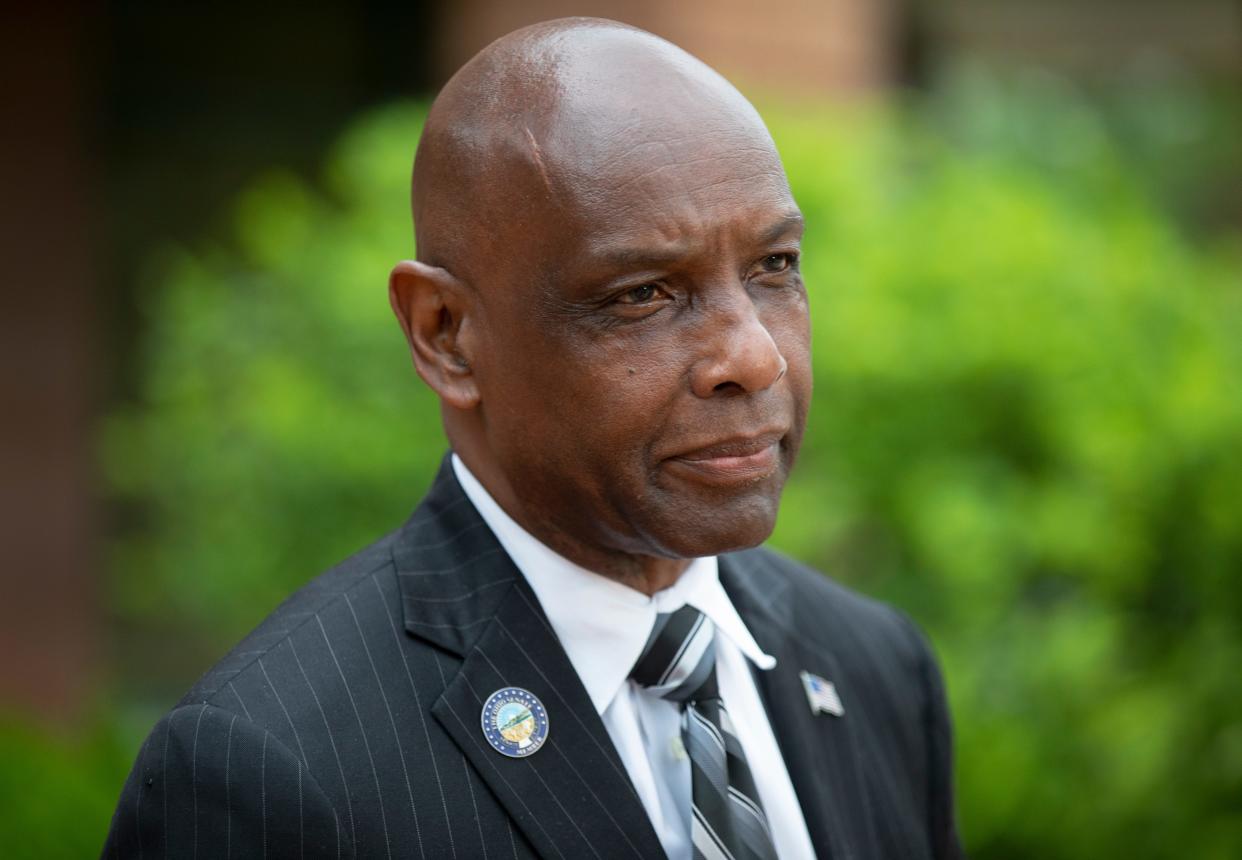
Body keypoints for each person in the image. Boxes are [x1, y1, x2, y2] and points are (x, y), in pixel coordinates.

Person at [104, 17, 961, 860]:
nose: (754, 355)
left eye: (774, 268)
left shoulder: (873, 669)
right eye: (643, 295)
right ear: (446, 334)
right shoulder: (267, 773)